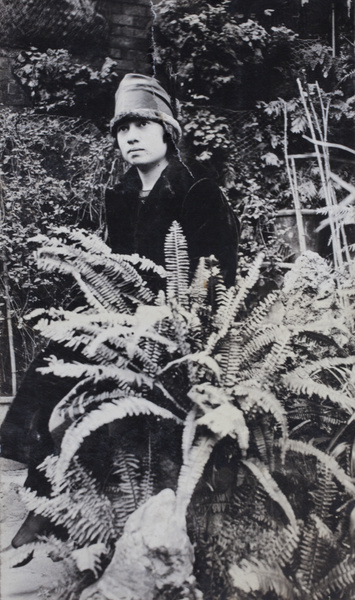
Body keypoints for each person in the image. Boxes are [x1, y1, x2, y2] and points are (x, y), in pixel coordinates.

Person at [1, 73, 239, 548]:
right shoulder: (123, 193)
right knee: (52, 360)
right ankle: (44, 498)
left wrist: (182, 325)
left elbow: (219, 276)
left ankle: (58, 510)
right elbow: (112, 266)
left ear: (167, 131)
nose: (130, 137)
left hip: (173, 332)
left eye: (141, 127)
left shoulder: (198, 192)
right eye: (121, 129)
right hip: (120, 319)